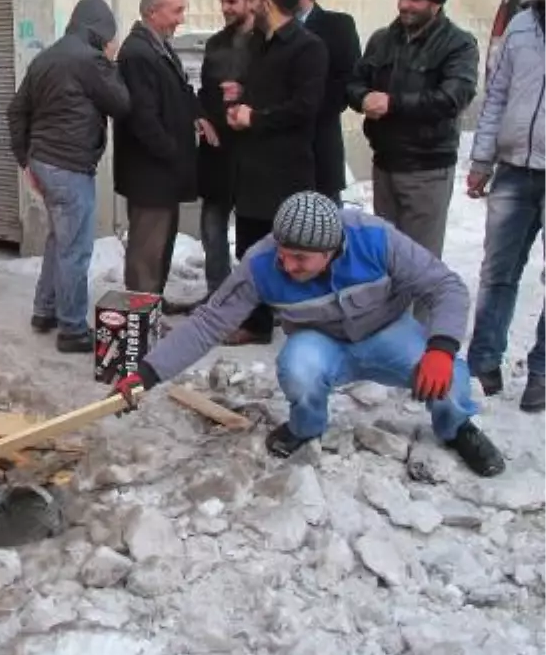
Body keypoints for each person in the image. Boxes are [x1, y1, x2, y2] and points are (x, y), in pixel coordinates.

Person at [113, 191, 506, 478]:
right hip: (320, 342)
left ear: (333, 249)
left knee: (450, 376)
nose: (287, 264)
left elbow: (446, 287)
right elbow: (207, 323)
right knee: (297, 369)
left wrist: (440, 348)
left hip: (387, 331)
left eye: (300, 258)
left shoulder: (375, 238)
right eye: (283, 251)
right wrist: (147, 373)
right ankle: (307, 427)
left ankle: (457, 428)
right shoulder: (262, 264)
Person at [8, 0, 131, 353]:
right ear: (101, 32)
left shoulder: (46, 56)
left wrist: (25, 160)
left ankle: (44, 311)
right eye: (110, 36)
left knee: (57, 240)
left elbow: (17, 110)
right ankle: (73, 329)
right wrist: (112, 62)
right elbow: (121, 104)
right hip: (69, 166)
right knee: (75, 249)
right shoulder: (91, 61)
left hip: (45, 162)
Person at [346, 0, 479, 257]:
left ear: (436, 3)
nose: (404, 5)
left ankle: (420, 308)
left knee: (419, 264)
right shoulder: (383, 39)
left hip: (427, 169)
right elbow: (354, 82)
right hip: (384, 163)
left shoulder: (459, 44)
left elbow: (452, 98)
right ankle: (392, 307)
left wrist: (392, 103)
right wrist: (362, 97)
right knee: (386, 259)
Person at [221, 0, 328, 345]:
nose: (249, 7)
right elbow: (263, 92)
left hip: (285, 170)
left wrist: (257, 118)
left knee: (293, 250)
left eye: (254, 1)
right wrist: (241, 97)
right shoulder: (258, 44)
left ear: (265, 3)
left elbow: (305, 107)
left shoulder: (307, 47)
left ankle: (308, 324)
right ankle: (256, 323)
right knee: (251, 250)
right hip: (251, 166)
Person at [466, 0, 546, 409]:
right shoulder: (520, 26)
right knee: (498, 272)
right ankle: (483, 363)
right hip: (514, 169)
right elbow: (496, 95)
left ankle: (543, 372)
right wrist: (481, 160)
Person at [114, 0, 200, 294]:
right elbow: (143, 117)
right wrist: (172, 151)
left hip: (162, 172)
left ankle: (151, 310)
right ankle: (140, 315)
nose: (181, 19)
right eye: (176, 11)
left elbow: (178, 93)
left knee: (160, 247)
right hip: (150, 174)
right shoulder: (138, 53)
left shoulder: (158, 47)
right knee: (146, 253)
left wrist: (198, 114)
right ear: (153, 12)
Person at [277, 0, 362, 204]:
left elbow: (347, 78)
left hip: (320, 141)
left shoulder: (338, 26)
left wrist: (304, 108)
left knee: (325, 224)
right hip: (281, 148)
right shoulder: (270, 29)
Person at [196, 0, 256, 296]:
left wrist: (246, 94)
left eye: (232, 1)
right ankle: (217, 294)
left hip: (254, 150)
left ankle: (252, 299)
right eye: (223, 1)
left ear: (252, 0)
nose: (225, 8)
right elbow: (206, 91)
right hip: (218, 149)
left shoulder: (266, 42)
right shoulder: (216, 43)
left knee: (253, 231)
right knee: (212, 224)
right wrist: (203, 117)